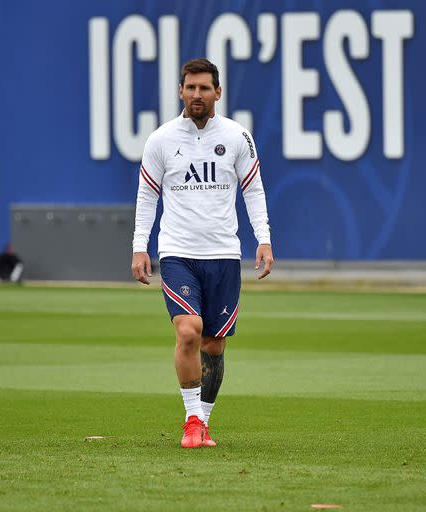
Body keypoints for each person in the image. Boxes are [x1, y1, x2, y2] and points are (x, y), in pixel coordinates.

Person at [131, 58, 274, 449]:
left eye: (204, 88)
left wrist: (263, 238)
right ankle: (191, 420)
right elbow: (147, 195)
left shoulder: (237, 136)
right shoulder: (160, 139)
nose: (197, 94)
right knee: (189, 331)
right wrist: (139, 246)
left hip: (224, 253)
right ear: (181, 91)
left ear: (218, 92)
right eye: (190, 87)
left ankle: (204, 421)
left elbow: (254, 190)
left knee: (214, 344)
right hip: (177, 252)